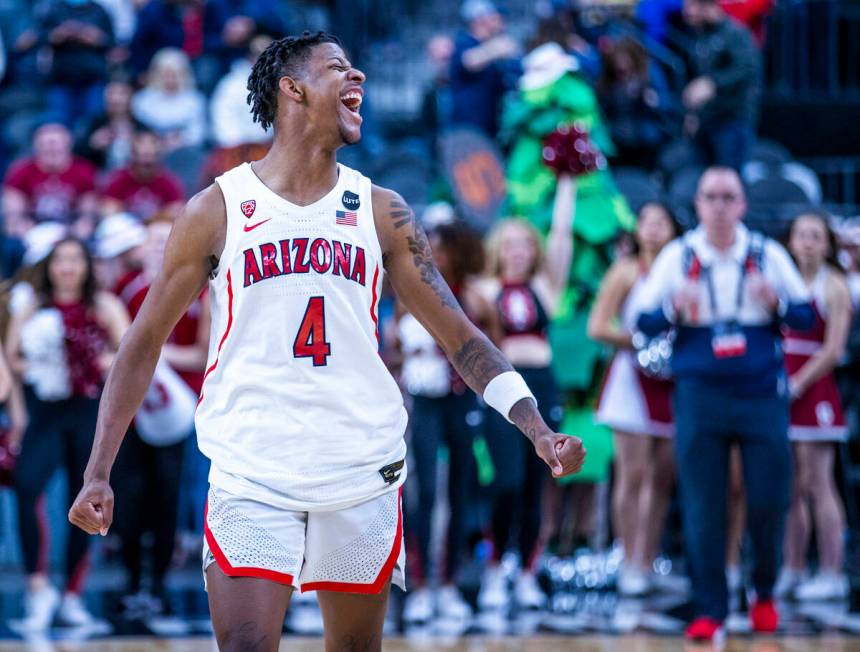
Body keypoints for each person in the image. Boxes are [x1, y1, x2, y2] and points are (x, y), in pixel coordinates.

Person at [68, 32, 585, 651]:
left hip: (360, 465)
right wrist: (99, 470)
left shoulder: (381, 210)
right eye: (339, 67)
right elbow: (143, 341)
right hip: (252, 467)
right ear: (293, 89)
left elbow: (461, 336)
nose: (358, 75)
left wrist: (535, 428)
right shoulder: (218, 208)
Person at [634, 166, 814, 642]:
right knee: (702, 503)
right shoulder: (679, 255)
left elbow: (807, 315)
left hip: (759, 391)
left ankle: (764, 593)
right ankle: (709, 607)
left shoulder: (766, 253)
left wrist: (775, 302)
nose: (718, 206)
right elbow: (645, 322)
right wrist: (674, 305)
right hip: (700, 392)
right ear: (697, 204)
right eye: (709, 196)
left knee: (770, 498)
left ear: (742, 205)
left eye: (727, 197)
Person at [5, 237, 128, 631]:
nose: (68, 266)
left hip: (88, 416)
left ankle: (73, 596)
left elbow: (129, 353)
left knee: (85, 502)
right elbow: (12, 359)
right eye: (60, 259)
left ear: (86, 265)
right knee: (27, 488)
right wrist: (23, 410)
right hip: (43, 414)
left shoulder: (104, 305)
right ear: (49, 266)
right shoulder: (32, 306)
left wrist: (100, 361)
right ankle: (38, 589)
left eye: (76, 258)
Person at [476, 174, 575, 611]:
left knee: (539, 483)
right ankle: (496, 567)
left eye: (525, 244)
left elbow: (562, 239)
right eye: (510, 243)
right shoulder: (484, 290)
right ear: (498, 247)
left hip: (543, 383)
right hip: (503, 392)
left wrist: (568, 183)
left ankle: (529, 572)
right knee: (507, 480)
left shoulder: (544, 288)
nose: (518, 251)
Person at [395, 219, 497, 622]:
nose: (434, 256)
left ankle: (451, 583)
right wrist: (413, 360)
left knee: (459, 492)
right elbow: (392, 352)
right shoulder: (409, 294)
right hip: (424, 400)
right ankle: (420, 585)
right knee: (423, 493)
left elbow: (492, 347)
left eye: (442, 248)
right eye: (429, 247)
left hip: (460, 399)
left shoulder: (473, 299)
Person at [112, 218, 209, 615]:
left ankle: (160, 586)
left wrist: (152, 353)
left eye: (165, 240)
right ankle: (134, 582)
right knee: (130, 497)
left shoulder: (199, 289)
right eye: (151, 241)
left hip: (181, 410)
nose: (157, 248)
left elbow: (201, 353)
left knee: (168, 497)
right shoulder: (124, 290)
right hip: (134, 410)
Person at [589, 202, 681, 596]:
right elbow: (597, 326)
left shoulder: (683, 270)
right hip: (630, 378)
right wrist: (644, 342)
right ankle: (628, 558)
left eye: (663, 222)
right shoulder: (626, 271)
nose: (654, 229)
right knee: (633, 474)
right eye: (647, 222)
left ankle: (648, 558)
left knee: (662, 478)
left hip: (673, 381)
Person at [777, 211, 852, 601]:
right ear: (790, 241)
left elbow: (834, 349)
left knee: (818, 484)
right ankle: (791, 567)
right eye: (801, 235)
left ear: (827, 244)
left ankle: (832, 570)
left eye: (816, 236)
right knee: (788, 485)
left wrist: (798, 383)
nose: (807, 242)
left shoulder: (835, 285)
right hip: (781, 387)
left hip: (815, 388)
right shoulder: (784, 282)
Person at [681, 0, 761, 171]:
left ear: (707, 6)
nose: (686, 11)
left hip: (731, 121)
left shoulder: (734, 33)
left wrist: (714, 84)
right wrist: (693, 116)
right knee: (703, 179)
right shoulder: (701, 37)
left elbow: (748, 68)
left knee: (729, 178)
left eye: (691, 6)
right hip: (706, 123)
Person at [2, 123, 98, 238]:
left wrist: (80, 228)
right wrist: (20, 226)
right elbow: (14, 211)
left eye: (56, 143)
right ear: (36, 145)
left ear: (68, 144)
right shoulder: (21, 170)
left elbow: (88, 212)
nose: (52, 148)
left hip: (69, 228)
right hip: (32, 228)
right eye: (46, 144)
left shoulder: (84, 171)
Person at [33, 0, 115, 129]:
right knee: (58, 123)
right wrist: (58, 34)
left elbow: (112, 41)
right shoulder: (54, 9)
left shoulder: (99, 10)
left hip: (92, 78)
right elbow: (39, 37)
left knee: (92, 124)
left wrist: (94, 36)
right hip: (61, 78)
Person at [449, 0, 520, 138]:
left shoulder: (493, 49)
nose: (500, 20)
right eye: (494, 16)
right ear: (478, 20)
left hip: (491, 130)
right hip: (468, 131)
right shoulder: (465, 43)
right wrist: (497, 48)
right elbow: (469, 61)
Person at [131, 47, 207, 151]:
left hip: (184, 152)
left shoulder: (195, 101)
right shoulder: (141, 100)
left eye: (175, 74)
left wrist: (180, 141)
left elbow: (197, 135)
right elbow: (138, 132)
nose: (170, 79)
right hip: (149, 150)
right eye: (166, 74)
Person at [101, 130, 185, 221]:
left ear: (158, 157)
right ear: (133, 155)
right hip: (127, 226)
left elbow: (177, 210)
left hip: (156, 226)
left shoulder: (168, 181)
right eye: (142, 156)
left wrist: (153, 218)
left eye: (151, 156)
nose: (146, 162)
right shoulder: (119, 179)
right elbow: (107, 209)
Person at [78, 80, 146, 170]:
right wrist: (92, 145)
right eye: (111, 93)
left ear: (131, 97)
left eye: (122, 93)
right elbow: (76, 156)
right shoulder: (93, 124)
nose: (115, 99)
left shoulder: (141, 128)